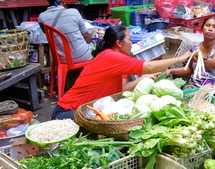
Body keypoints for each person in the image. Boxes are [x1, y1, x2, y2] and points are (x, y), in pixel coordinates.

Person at [51, 25, 191, 120]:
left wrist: (144, 78)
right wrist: (179, 58)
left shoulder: (116, 59)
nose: (131, 43)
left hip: (84, 111)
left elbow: (122, 89)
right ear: (119, 43)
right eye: (129, 39)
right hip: (66, 113)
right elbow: (148, 66)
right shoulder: (112, 57)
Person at [167, 16, 215, 88]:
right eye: (207, 25)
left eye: (214, 27)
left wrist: (199, 58)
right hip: (195, 85)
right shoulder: (195, 48)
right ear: (202, 29)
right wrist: (171, 71)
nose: (210, 29)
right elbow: (189, 70)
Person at [39, 0, 92, 64]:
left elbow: (48, 33)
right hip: (82, 56)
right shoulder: (74, 12)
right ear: (63, 0)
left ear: (48, 1)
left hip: (60, 59)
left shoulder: (42, 17)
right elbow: (87, 37)